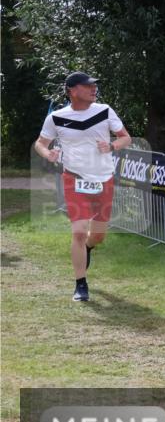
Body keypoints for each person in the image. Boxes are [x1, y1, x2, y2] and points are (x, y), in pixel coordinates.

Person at [34, 72, 132, 302]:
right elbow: (40, 143)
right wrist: (48, 153)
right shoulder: (57, 117)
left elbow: (125, 137)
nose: (93, 88)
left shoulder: (104, 111)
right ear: (72, 90)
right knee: (78, 231)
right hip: (74, 179)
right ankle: (80, 284)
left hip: (103, 179)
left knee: (97, 236)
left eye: (94, 85)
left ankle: (88, 247)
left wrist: (111, 146)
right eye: (88, 86)